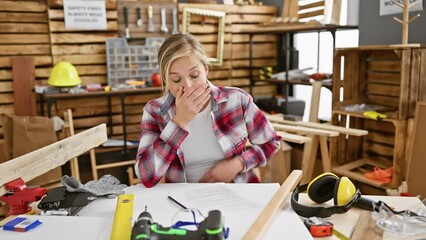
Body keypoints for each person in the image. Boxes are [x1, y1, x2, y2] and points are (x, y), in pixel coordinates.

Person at [135, 34, 281, 188]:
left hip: (238, 192)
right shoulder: (154, 111)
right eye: (176, 80)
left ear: (205, 70)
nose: (188, 86)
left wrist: (238, 164)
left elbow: (271, 142)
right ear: (165, 80)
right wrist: (180, 122)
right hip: (184, 202)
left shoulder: (237, 100)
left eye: (194, 75)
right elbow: (146, 177)